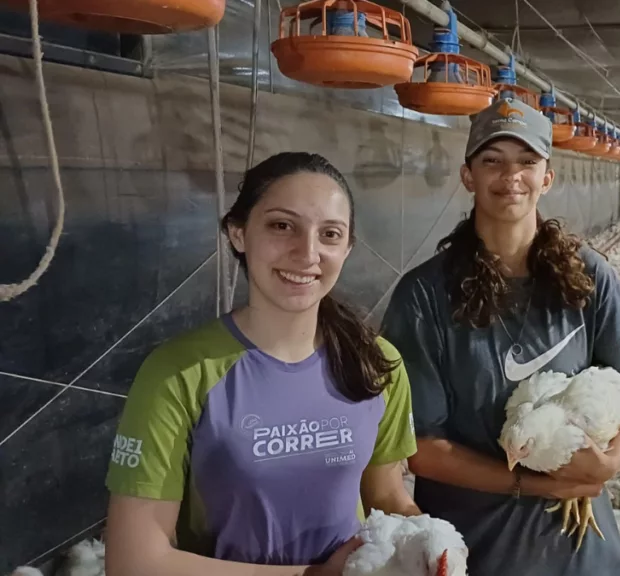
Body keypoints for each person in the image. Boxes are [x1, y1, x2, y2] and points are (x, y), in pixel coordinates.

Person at [380, 98, 620, 576]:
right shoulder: (425, 296)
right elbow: (420, 446)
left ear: (547, 177)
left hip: (580, 547)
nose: (510, 176)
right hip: (478, 548)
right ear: (468, 175)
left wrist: (608, 464)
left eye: (527, 161)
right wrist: (537, 486)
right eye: (492, 161)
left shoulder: (588, 276)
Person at [104, 152, 419, 576]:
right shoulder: (178, 373)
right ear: (238, 233)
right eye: (282, 226)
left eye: (329, 234)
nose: (307, 253)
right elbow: (134, 561)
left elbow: (387, 497)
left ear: (347, 248)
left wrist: (429, 542)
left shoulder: (376, 364)